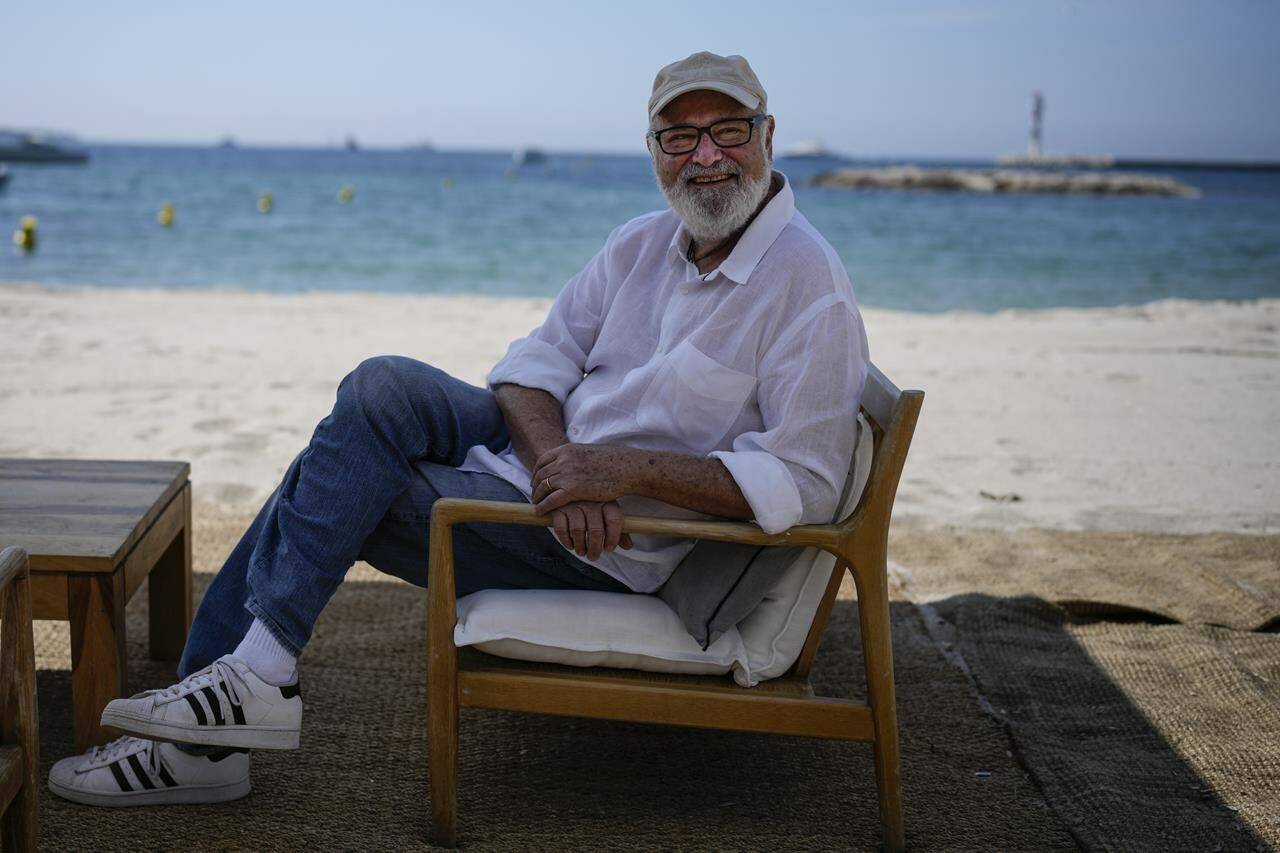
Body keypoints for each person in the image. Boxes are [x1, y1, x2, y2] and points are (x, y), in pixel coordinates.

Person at [48, 50, 870, 806]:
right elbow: (532, 364)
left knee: (338, 471)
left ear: (766, 136)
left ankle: (226, 712)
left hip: (612, 546)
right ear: (653, 148)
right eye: (679, 136)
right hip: (548, 476)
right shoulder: (644, 243)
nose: (706, 156)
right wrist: (559, 461)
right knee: (378, 388)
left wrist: (618, 472)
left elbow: (804, 482)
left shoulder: (808, 288)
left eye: (727, 130)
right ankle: (241, 688)